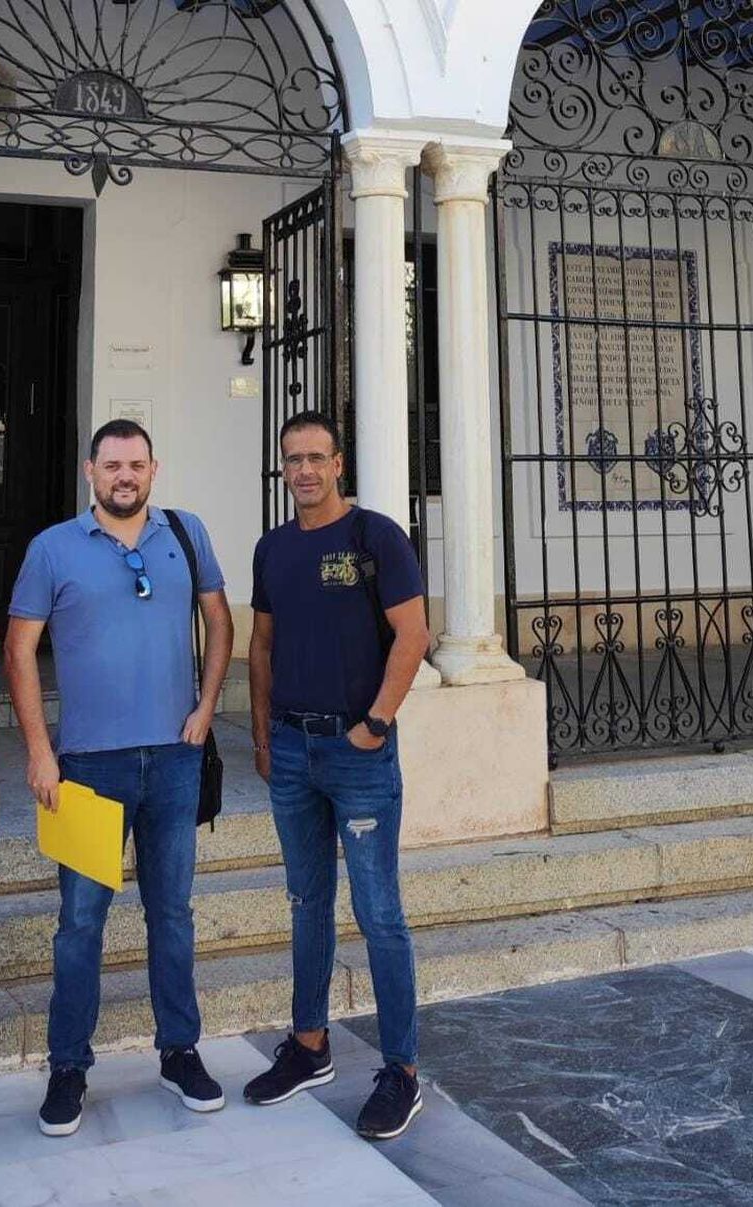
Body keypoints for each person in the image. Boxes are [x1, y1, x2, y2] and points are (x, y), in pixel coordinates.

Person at [6, 418, 234, 1137]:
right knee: (80, 923)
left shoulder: (187, 532)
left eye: (136, 463)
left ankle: (180, 1050)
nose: (124, 475)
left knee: (173, 914)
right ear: (90, 471)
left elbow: (221, 623)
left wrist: (206, 707)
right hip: (87, 768)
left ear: (153, 468)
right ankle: (68, 1065)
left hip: (173, 760)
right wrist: (39, 751)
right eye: (112, 465)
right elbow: (18, 651)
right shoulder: (53, 548)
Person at [242, 411, 432, 1140]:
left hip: (358, 755)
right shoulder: (273, 548)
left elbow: (412, 635)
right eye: (293, 459)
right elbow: (261, 645)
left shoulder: (376, 537)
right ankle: (310, 1043)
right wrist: (263, 736)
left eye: (316, 457)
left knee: (379, 912)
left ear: (339, 463)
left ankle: (402, 1070)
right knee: (306, 901)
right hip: (292, 751)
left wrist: (375, 723)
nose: (304, 471)